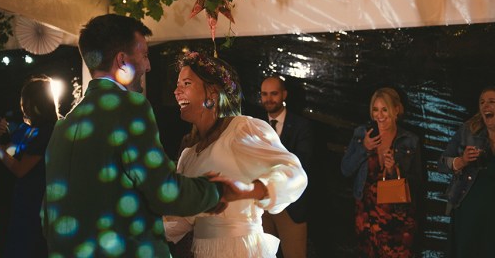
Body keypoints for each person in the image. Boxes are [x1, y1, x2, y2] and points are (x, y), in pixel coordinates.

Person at [43, 14, 251, 258]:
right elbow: (164, 192)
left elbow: (49, 212)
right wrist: (215, 191)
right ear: (122, 61)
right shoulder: (129, 107)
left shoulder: (65, 124)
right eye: (144, 55)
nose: (148, 66)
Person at [165, 51, 308, 258]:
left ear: (212, 93)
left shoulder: (241, 129)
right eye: (177, 85)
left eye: (186, 83)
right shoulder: (188, 155)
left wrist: (248, 191)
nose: (176, 91)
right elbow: (184, 218)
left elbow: (295, 174)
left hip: (241, 250)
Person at [0, 76, 59, 257]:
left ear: (35, 102)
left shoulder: (48, 131)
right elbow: (8, 152)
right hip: (16, 203)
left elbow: (20, 169)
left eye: (25, 100)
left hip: (35, 205)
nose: (22, 105)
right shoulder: (26, 129)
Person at [341, 87, 421, 258]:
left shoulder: (410, 140)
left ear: (396, 110)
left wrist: (394, 171)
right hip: (367, 215)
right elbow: (346, 169)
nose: (380, 115)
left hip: (398, 217)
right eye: (376, 110)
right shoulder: (363, 134)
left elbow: (418, 182)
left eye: (385, 109)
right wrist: (364, 148)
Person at [438, 86, 495, 257]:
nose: (485, 106)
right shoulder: (469, 131)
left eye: (492, 102)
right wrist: (461, 161)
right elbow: (441, 163)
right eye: (482, 102)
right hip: (468, 213)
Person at [258, 76, 314, 258]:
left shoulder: (302, 126)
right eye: (264, 94)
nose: (269, 99)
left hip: (291, 206)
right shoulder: (254, 125)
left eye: (273, 94)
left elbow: (300, 164)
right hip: (261, 205)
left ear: (284, 94)